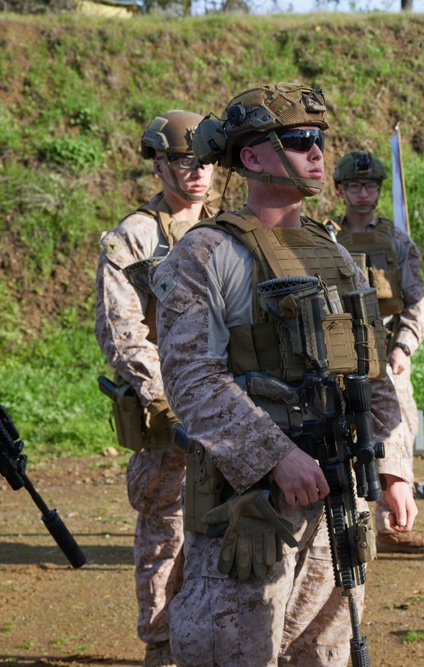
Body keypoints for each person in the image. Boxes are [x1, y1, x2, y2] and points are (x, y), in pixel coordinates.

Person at [151, 83, 417, 666]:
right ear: (252, 157)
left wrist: (394, 466)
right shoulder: (206, 254)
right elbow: (192, 381)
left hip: (338, 497)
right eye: (299, 140)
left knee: (324, 650)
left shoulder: (335, 253)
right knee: (236, 649)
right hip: (253, 505)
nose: (318, 152)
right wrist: (274, 455)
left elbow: (372, 373)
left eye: (320, 139)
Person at [95, 109, 215, 667]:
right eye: (185, 162)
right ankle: (162, 642)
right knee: (165, 531)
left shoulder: (228, 229)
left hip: (227, 412)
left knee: (221, 531)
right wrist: (173, 399)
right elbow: (123, 335)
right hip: (170, 418)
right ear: (159, 164)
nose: (197, 173)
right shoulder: (133, 238)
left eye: (206, 162)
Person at [327, 149, 424, 555]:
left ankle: (393, 525)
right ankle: (348, 525)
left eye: (370, 185)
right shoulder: (326, 238)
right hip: (335, 357)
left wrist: (403, 348)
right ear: (340, 189)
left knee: (396, 432)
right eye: (355, 185)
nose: (363, 193)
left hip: (387, 355)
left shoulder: (397, 241)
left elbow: (416, 306)